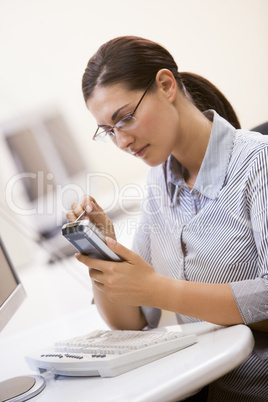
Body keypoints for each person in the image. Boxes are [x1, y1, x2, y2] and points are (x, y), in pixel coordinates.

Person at [67, 36, 268, 402]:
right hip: (211, 385)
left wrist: (158, 289)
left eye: (125, 118)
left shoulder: (258, 164)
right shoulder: (161, 179)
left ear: (165, 85)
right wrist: (105, 252)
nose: (122, 142)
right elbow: (136, 320)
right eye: (109, 131)